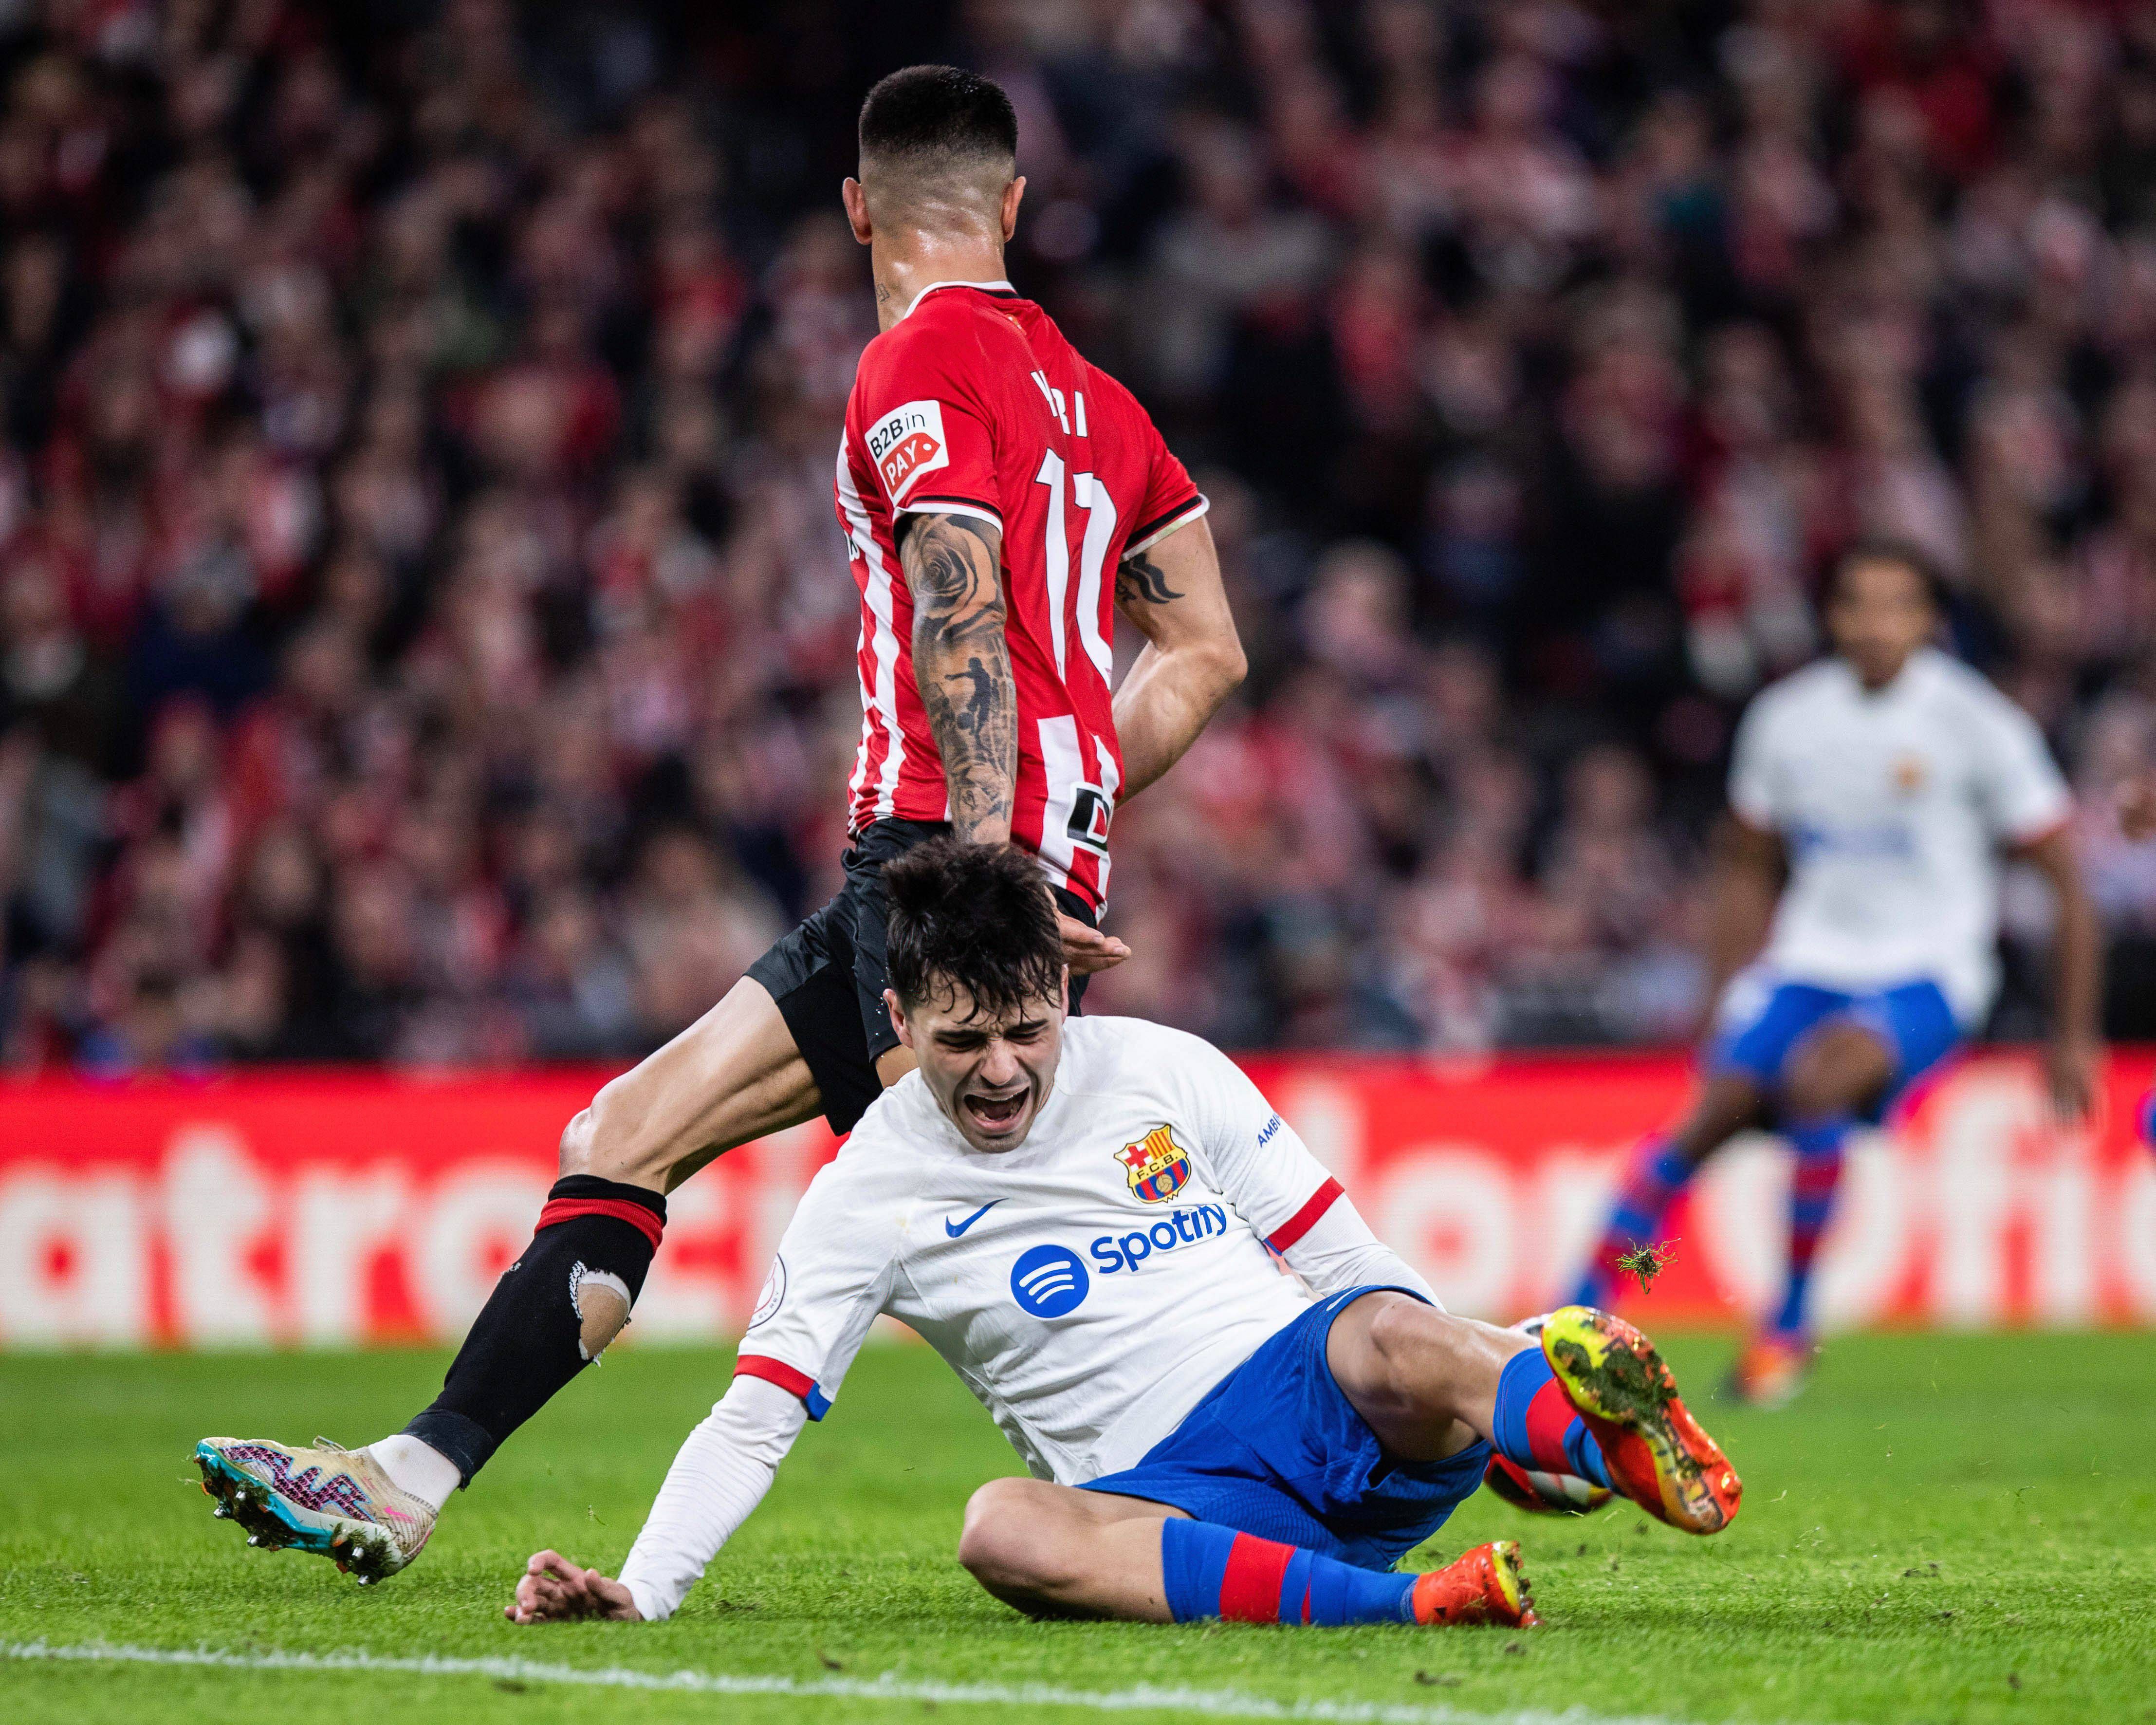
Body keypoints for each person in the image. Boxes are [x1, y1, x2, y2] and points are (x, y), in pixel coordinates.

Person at [192, 66, 1247, 1582]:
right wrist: (1058, 815)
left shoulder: (910, 363)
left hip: (939, 857)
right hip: (976, 849)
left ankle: (1284, 1440)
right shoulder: (1110, 407)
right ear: (1014, 209)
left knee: (962, 1233)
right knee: (628, 1140)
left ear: (854, 209)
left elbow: (954, 592)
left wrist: (994, 872)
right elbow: (1204, 649)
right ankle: (406, 1479)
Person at [495, 840, 1741, 1632]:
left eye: (1028, 1030)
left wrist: (1431, 1374)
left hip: (1311, 1398)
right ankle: (1424, 1598)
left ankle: (1603, 1444)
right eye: (961, 1038)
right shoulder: (863, 1191)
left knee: (1386, 1320)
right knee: (1001, 1526)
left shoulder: (1159, 1067)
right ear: (897, 1011)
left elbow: (1350, 1260)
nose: (1000, 1071)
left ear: (1065, 993)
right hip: (1164, 1499)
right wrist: (643, 1587)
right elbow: (753, 1415)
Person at [1570, 541, 2101, 1408]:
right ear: (1832, 616)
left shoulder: (1978, 725)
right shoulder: (1787, 718)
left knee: (1819, 1081)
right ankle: (1586, 1309)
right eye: (1857, 603)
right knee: (1710, 1120)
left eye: (1898, 605)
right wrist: (1718, 997)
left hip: (1929, 972)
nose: (1875, 623)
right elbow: (1747, 865)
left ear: (1930, 621)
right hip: (1808, 961)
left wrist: (2070, 1036)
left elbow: (2067, 885)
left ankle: (1785, 1327)